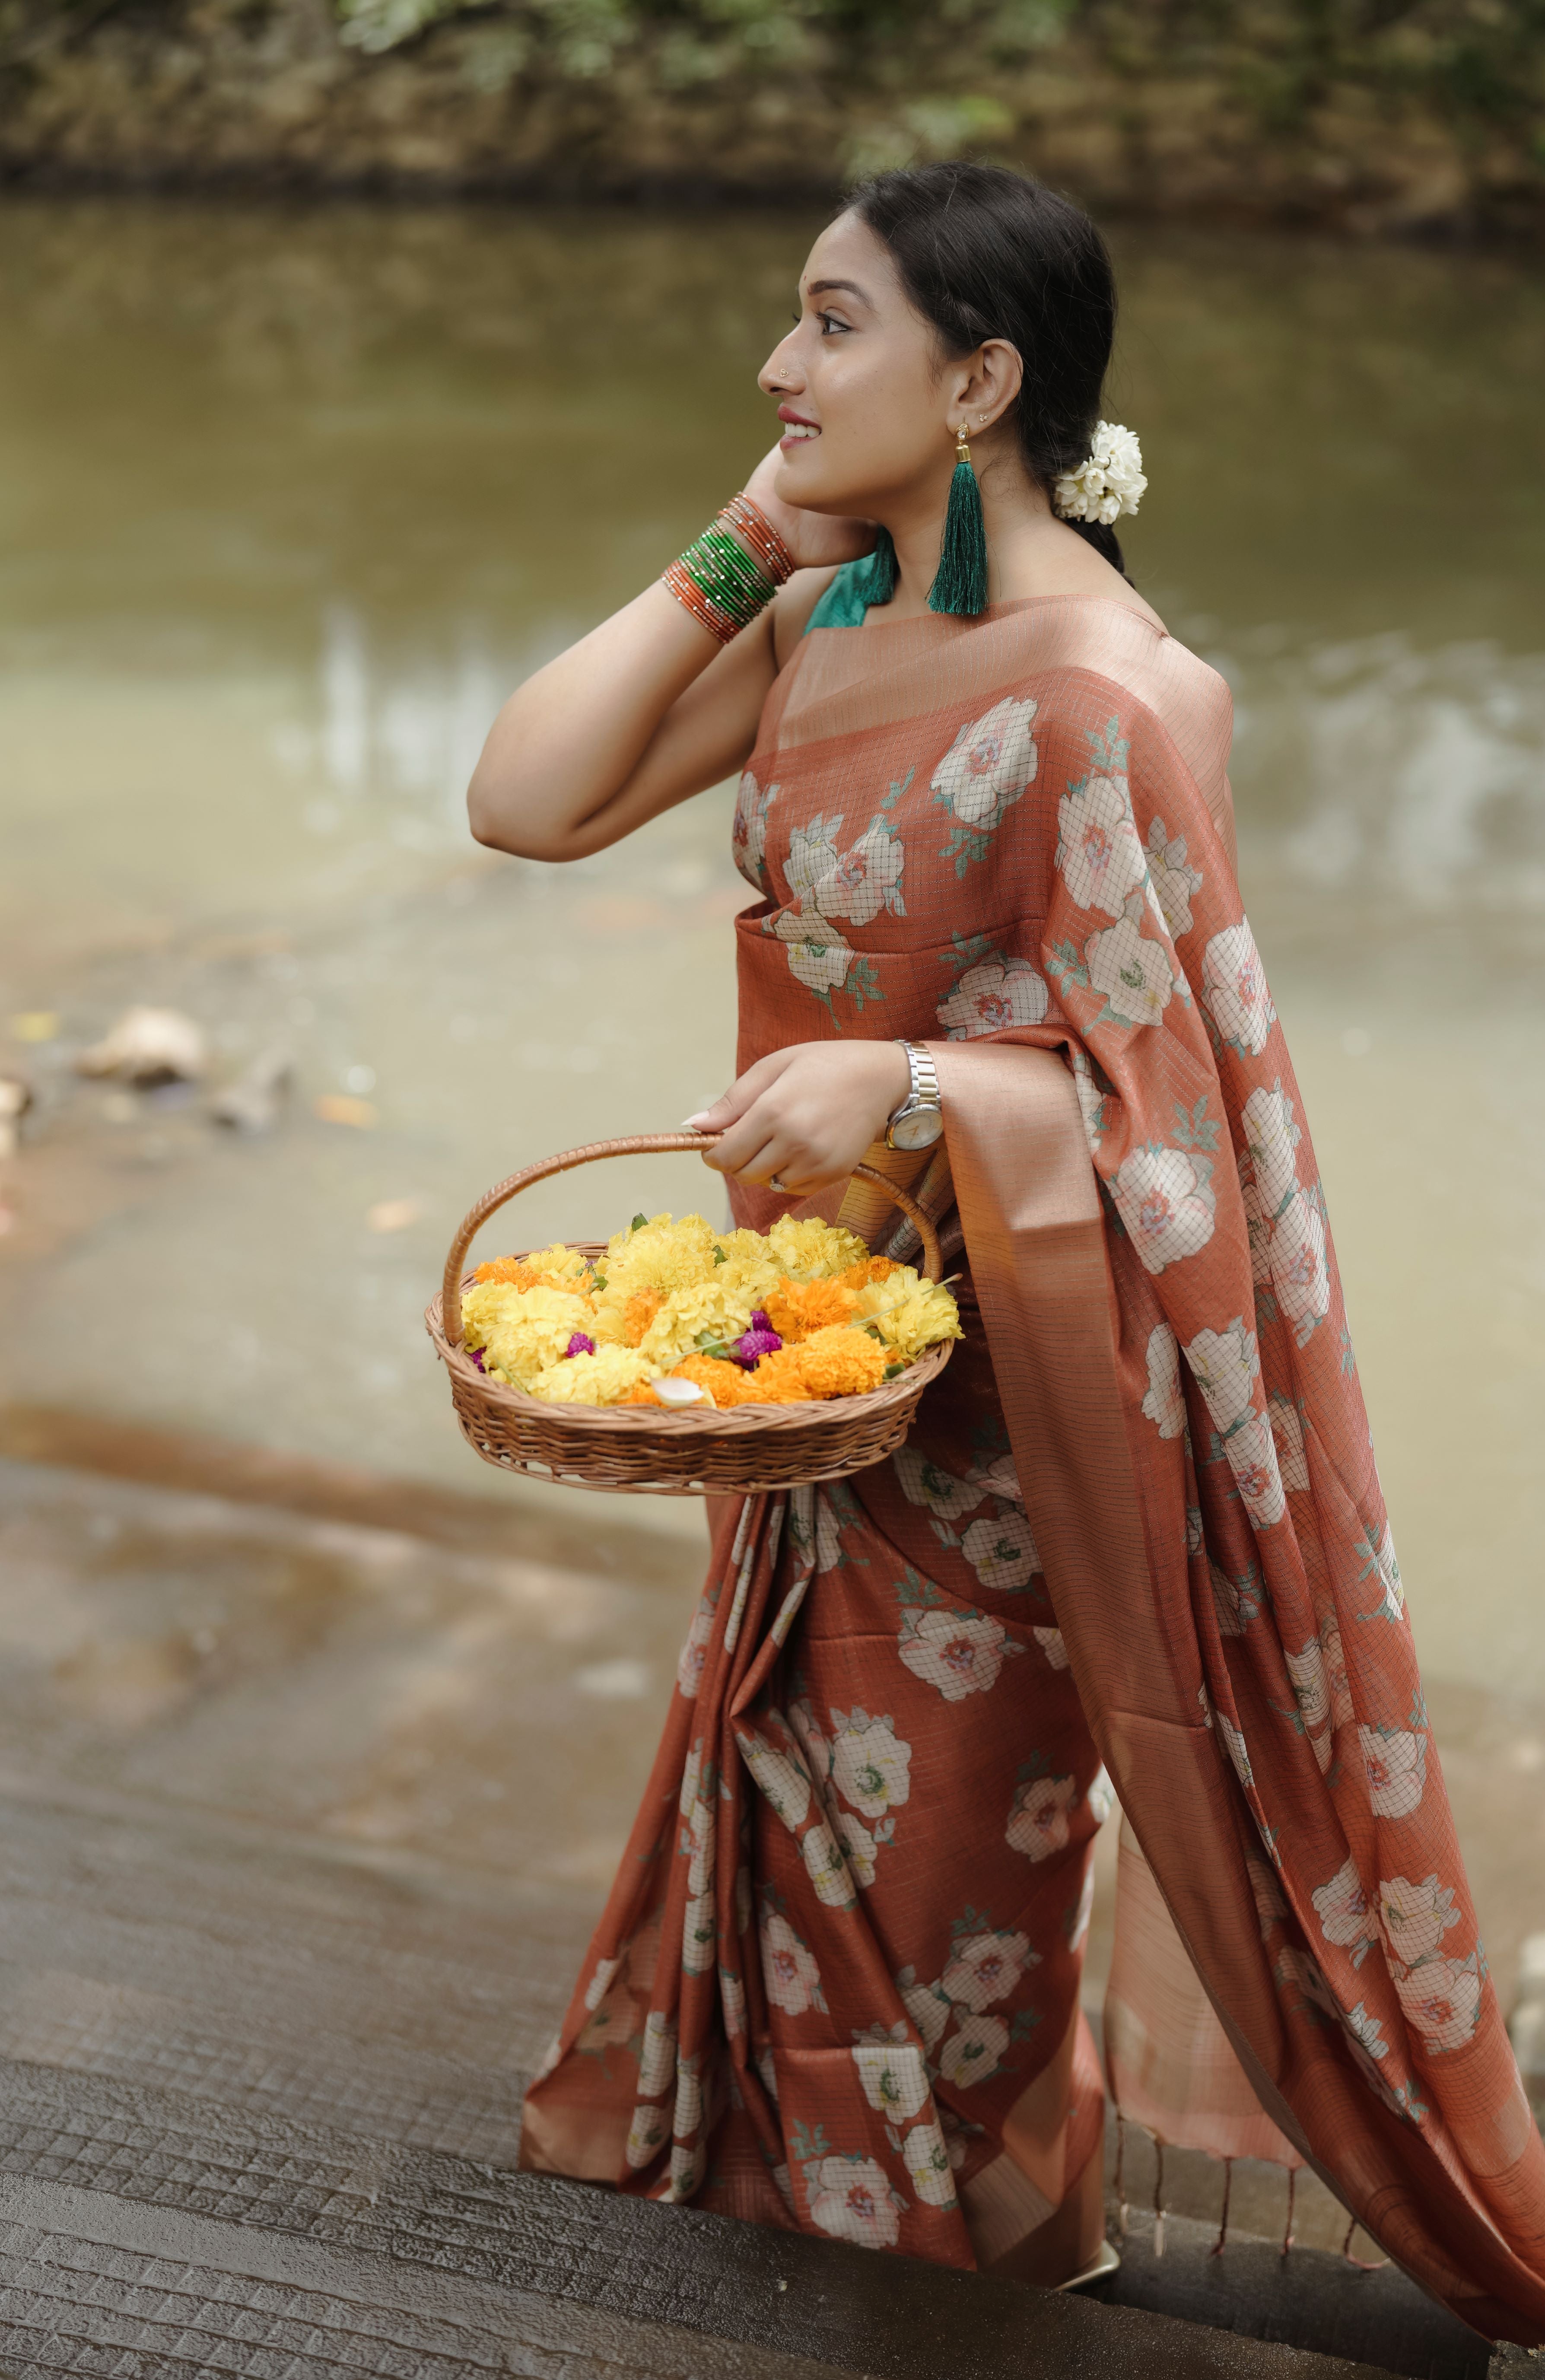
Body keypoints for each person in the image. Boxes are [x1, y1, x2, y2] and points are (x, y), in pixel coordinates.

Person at [467, 164, 1545, 2335]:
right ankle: (786, 2249)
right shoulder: (824, 624)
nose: (779, 366)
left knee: (948, 1855)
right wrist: (744, 540)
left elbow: (1197, 1124)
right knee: (787, 1783)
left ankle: (952, 2292)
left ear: (982, 379)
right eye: (793, 319)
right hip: (802, 1351)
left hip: (1015, 1384)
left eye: (835, 325)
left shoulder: (1117, 699)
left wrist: (923, 1086)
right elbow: (528, 796)